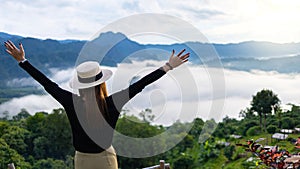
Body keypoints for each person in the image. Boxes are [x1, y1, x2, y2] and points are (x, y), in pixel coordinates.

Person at [4, 40, 189, 169]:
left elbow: (47, 84)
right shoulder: (112, 103)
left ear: (80, 84)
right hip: (105, 160)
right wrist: (168, 66)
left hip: (82, 160)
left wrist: (22, 61)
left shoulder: (71, 102)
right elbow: (140, 85)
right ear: (102, 83)